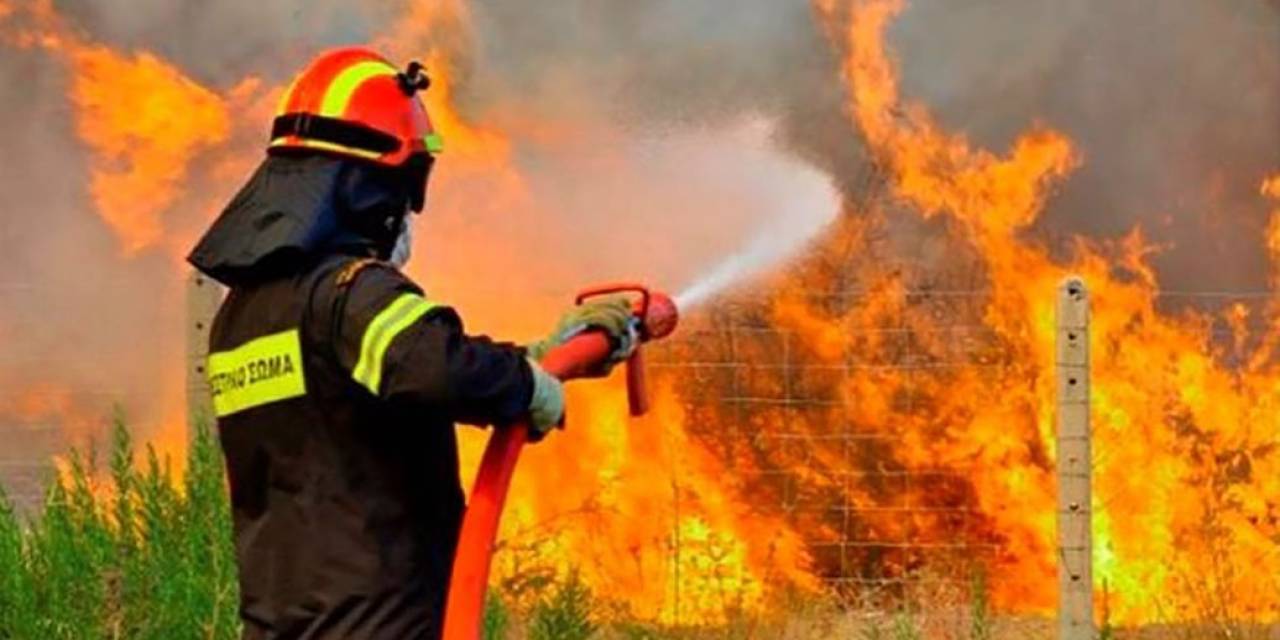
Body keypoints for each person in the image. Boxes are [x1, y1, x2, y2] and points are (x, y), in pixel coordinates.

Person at [187, 47, 635, 639]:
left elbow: (376, 382)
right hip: (378, 624)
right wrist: (528, 384)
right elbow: (436, 367)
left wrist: (536, 356)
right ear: (370, 189)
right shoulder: (351, 292)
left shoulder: (243, 316)